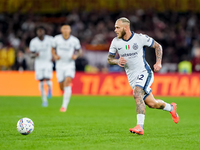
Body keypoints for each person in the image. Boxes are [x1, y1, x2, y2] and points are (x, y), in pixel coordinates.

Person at [107, 17, 179, 135]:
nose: (115, 30)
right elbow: (109, 59)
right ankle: (171, 108)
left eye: (117, 27)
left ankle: (140, 127)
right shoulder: (116, 42)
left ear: (126, 27)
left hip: (144, 72)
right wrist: (117, 61)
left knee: (136, 93)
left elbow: (158, 46)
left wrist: (158, 62)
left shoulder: (140, 38)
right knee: (152, 103)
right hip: (131, 78)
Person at [52, 25, 82, 112]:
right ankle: (66, 88)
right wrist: (54, 55)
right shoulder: (56, 39)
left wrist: (76, 56)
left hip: (70, 64)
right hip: (59, 65)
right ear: (61, 30)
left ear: (70, 30)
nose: (65, 30)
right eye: (64, 29)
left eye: (67, 29)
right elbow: (52, 49)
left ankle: (64, 106)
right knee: (61, 87)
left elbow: (79, 51)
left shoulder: (74, 40)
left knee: (67, 83)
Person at [29, 26, 54, 107]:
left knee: (47, 80)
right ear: (36, 32)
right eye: (38, 31)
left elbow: (55, 48)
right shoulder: (33, 42)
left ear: (44, 32)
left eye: (41, 31)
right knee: (41, 82)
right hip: (39, 63)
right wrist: (35, 55)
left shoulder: (50, 39)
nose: (40, 33)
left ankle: (50, 88)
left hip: (48, 62)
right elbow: (31, 55)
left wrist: (54, 55)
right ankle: (44, 100)